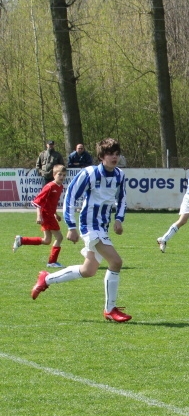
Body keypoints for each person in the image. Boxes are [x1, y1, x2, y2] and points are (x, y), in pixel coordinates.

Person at [30, 138, 132, 322]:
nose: (114, 157)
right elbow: (70, 197)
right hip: (90, 226)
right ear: (101, 156)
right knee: (116, 262)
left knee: (88, 270)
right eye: (110, 154)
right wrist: (71, 226)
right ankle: (110, 309)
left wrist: (118, 219)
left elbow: (123, 198)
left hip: (102, 226)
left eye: (117, 154)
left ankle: (46, 279)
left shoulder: (120, 175)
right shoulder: (90, 173)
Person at [13, 163, 66, 267]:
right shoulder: (49, 186)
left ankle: (21, 240)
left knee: (47, 240)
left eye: (64, 175)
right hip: (46, 215)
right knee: (59, 237)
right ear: (54, 174)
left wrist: (56, 214)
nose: (62, 177)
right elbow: (38, 201)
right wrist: (39, 215)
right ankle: (52, 262)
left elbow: (51, 202)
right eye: (60, 174)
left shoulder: (60, 187)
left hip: (50, 215)